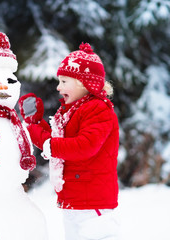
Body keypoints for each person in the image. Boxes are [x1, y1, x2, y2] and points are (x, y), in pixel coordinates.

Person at [19, 43, 120, 240]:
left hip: (93, 202)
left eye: (64, 81)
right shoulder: (73, 110)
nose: (58, 87)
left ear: (84, 83)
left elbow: (84, 146)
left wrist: (46, 142)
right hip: (76, 198)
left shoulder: (98, 109)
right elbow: (58, 142)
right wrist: (35, 124)